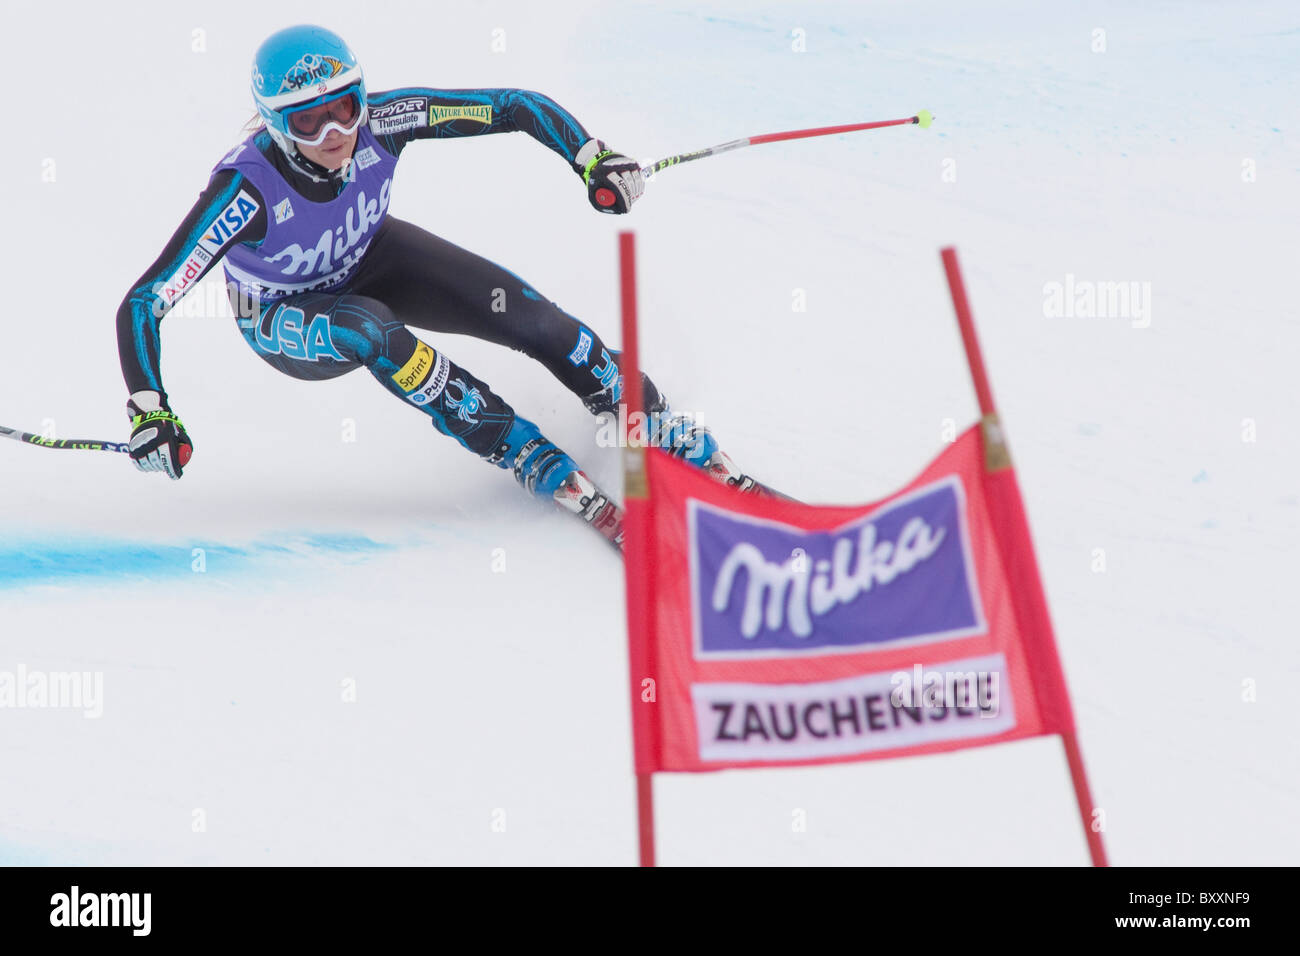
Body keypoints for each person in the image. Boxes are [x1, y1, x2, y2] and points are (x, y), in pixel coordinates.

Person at [117, 24, 756, 549]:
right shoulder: (245, 191)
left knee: (532, 320)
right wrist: (151, 409)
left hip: (373, 254)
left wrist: (590, 157)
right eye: (309, 123)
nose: (336, 134)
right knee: (369, 328)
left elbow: (513, 106)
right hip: (286, 315)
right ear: (275, 125)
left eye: (343, 108)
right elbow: (146, 300)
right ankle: (520, 449)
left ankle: (637, 407)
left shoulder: (384, 122)